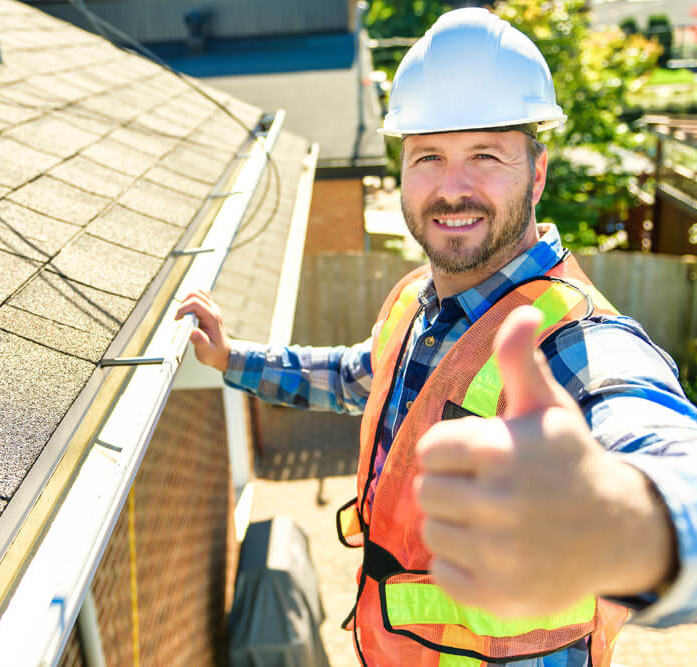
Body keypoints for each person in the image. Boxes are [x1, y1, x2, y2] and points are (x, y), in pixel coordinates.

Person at [175, 8, 697, 666]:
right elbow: (352, 376)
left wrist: (620, 518)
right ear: (402, 172)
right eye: (429, 156)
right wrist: (232, 358)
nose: (453, 188)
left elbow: (668, 447)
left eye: (484, 154)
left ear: (536, 174)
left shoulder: (573, 337)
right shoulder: (416, 303)